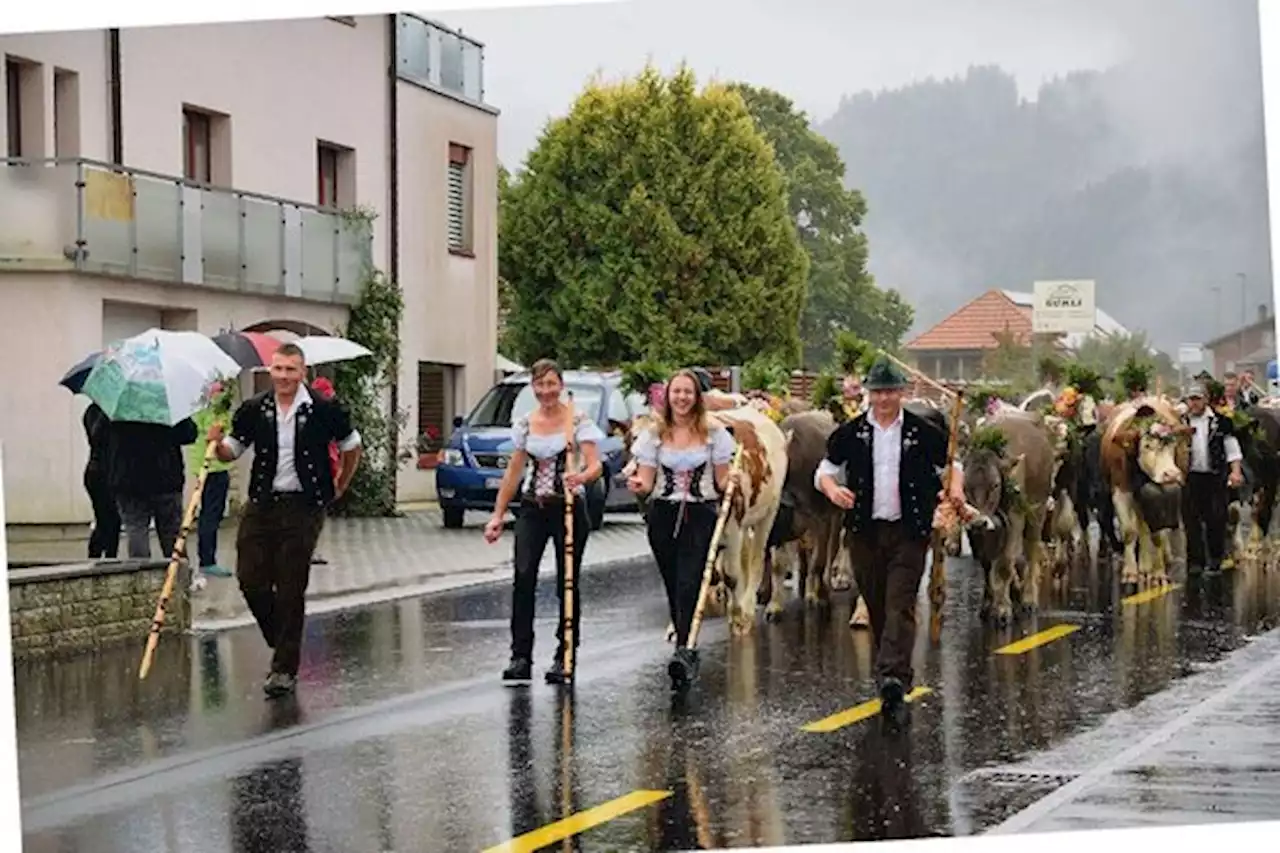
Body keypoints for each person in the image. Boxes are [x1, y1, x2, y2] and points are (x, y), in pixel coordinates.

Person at [814, 355, 964, 727]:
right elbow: (825, 471)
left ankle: (894, 677)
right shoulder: (850, 434)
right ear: (868, 394)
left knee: (900, 601)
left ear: (902, 392)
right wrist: (833, 491)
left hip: (909, 529)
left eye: (890, 392)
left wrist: (954, 492)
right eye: (878, 392)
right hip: (864, 530)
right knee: (878, 602)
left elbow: (951, 465)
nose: (884, 399)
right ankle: (889, 673)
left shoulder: (920, 431)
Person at [207, 343, 363, 699]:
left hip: (305, 505)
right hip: (263, 502)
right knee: (250, 579)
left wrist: (341, 483)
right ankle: (285, 641)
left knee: (291, 585)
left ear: (303, 372)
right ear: (270, 371)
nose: (283, 377)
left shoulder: (324, 410)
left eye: (290, 370)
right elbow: (234, 449)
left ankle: (283, 670)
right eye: (278, 369)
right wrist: (217, 447)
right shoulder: (255, 409)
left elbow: (352, 446)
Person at [485, 358, 604, 686]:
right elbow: (514, 470)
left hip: (567, 507)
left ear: (561, 386)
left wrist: (579, 476)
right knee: (523, 576)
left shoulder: (577, 421)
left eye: (552, 384)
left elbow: (596, 466)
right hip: (532, 507)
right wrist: (497, 515)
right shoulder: (526, 423)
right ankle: (520, 655)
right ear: (533, 388)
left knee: (567, 580)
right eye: (540, 385)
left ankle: (565, 654)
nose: (546, 391)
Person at [626, 369, 738, 691]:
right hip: (663, 512)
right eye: (677, 392)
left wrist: (731, 481)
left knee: (690, 581)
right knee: (673, 583)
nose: (682, 398)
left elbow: (720, 479)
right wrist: (637, 486)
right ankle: (686, 644)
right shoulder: (654, 435)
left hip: (700, 514)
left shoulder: (714, 435)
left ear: (697, 397)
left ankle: (684, 651)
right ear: (668, 396)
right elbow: (647, 482)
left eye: (688, 392)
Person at [105, 409, 198, 561]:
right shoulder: (166, 405)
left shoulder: (119, 407)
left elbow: (102, 435)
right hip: (165, 476)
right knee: (171, 532)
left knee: (136, 528)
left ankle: (141, 574)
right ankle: (177, 574)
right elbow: (189, 434)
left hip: (128, 478)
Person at [1182, 384, 1244, 576]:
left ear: (1206, 400)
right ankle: (1195, 562)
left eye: (1197, 399)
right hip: (1190, 477)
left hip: (1215, 475)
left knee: (1216, 518)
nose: (1193, 403)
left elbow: (1232, 449)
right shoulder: (1180, 422)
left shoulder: (1221, 422)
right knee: (1191, 520)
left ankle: (1215, 559)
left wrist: (1235, 472)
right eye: (1191, 399)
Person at [188, 384, 236, 584]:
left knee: (207, 512)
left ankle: (206, 557)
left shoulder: (196, 407)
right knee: (211, 514)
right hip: (214, 466)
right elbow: (219, 435)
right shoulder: (218, 410)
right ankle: (207, 560)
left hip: (201, 465)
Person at [83, 402, 120, 559]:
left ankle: (108, 556)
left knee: (111, 520)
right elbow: (96, 437)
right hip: (100, 474)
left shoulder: (96, 412)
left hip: (107, 472)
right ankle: (98, 556)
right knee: (106, 520)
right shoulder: (95, 413)